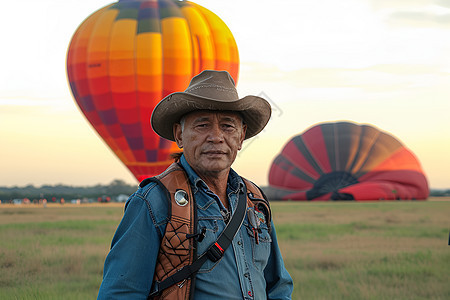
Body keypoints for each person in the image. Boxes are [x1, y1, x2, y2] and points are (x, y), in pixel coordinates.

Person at [97, 70, 293, 299]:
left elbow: (278, 286)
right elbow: (121, 293)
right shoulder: (154, 202)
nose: (216, 136)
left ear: (241, 137)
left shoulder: (254, 200)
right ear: (179, 135)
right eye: (202, 125)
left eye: (228, 126)